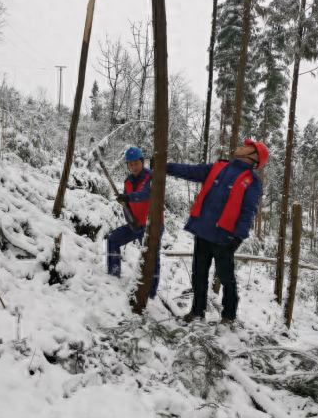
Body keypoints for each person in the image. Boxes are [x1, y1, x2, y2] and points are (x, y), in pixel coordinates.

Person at [166, 139, 267, 326]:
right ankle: (197, 312)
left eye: (247, 147)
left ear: (253, 157)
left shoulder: (251, 181)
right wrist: (166, 167)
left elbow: (249, 211)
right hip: (203, 230)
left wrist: (239, 237)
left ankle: (228, 316)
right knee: (198, 274)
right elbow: (192, 171)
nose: (241, 145)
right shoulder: (219, 166)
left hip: (225, 237)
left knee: (227, 277)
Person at [106, 147, 161, 298]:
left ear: (142, 162)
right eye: (130, 164)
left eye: (136, 163)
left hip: (151, 225)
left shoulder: (150, 177)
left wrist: (128, 197)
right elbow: (126, 205)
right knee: (113, 240)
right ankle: (113, 274)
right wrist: (129, 221)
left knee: (152, 257)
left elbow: (146, 194)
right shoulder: (128, 182)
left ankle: (150, 293)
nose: (133, 167)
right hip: (134, 224)